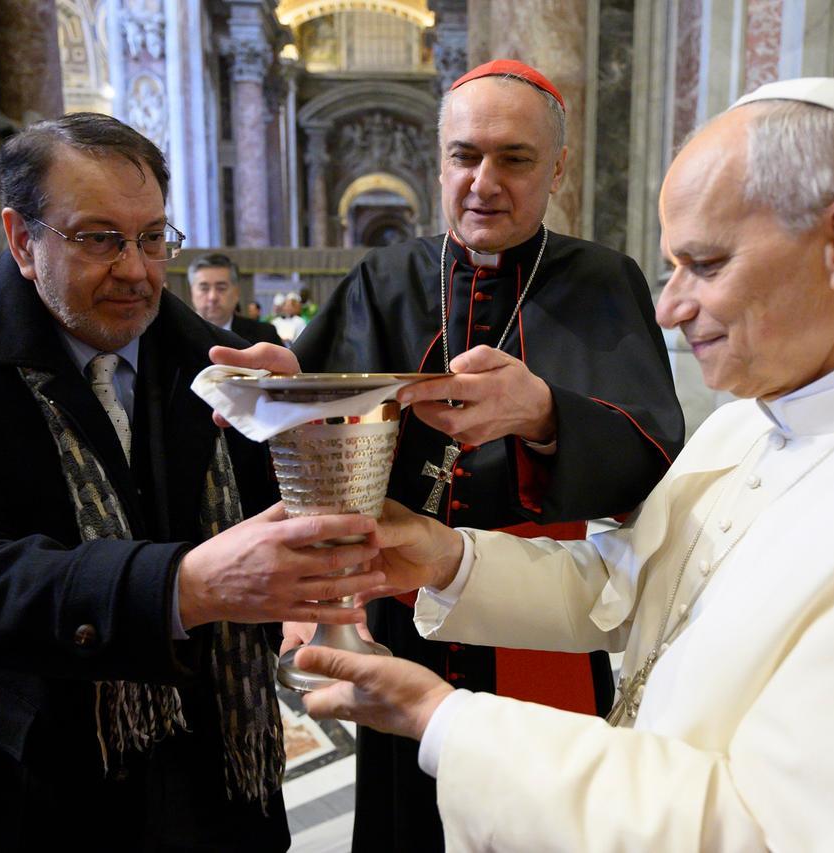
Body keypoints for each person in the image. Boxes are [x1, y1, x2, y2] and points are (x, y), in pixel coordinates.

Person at [293, 78, 834, 850]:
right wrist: (447, 557)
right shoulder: (747, 422)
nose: (669, 307)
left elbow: (774, 832)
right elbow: (628, 586)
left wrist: (450, 722)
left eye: (706, 265)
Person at [0, 113, 386, 851]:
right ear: (22, 240)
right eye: (100, 239)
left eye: (153, 237)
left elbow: (285, 533)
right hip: (38, 790)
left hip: (219, 780)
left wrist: (303, 439)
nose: (136, 270)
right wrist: (181, 587)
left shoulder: (226, 361)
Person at [260, 58, 684, 852]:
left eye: (514, 159)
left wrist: (548, 416)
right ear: (439, 161)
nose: (484, 182)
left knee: (536, 815)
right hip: (398, 606)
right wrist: (279, 398)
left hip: (542, 607)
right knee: (407, 822)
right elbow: (313, 446)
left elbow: (653, 463)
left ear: (557, 168)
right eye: (465, 156)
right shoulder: (383, 278)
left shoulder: (603, 281)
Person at [187, 251, 279, 344]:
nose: (212, 297)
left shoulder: (265, 335)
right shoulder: (178, 334)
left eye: (221, 288)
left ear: (236, 292)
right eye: (204, 288)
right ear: (191, 292)